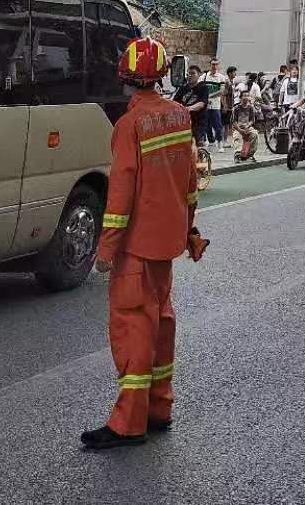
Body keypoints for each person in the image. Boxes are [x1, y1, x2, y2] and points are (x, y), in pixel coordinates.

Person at [82, 36, 203, 450]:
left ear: (125, 77)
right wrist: (189, 230)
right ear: (164, 74)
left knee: (134, 329)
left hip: (136, 248)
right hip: (166, 245)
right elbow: (189, 183)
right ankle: (158, 409)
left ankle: (127, 424)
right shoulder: (180, 116)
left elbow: (120, 196)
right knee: (162, 324)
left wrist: (105, 250)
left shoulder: (130, 125)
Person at [176, 64, 208, 145]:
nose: (190, 75)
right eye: (188, 74)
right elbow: (174, 102)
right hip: (184, 122)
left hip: (198, 123)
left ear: (199, 75)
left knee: (194, 144)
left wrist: (188, 108)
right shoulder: (183, 88)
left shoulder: (203, 87)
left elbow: (201, 103)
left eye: (193, 73)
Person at [203, 58, 226, 145]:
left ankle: (220, 142)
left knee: (218, 125)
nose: (214, 66)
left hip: (216, 105)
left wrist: (209, 96)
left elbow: (221, 91)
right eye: (213, 64)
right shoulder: (204, 77)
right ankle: (211, 141)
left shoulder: (221, 77)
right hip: (206, 105)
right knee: (206, 125)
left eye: (216, 64)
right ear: (210, 65)